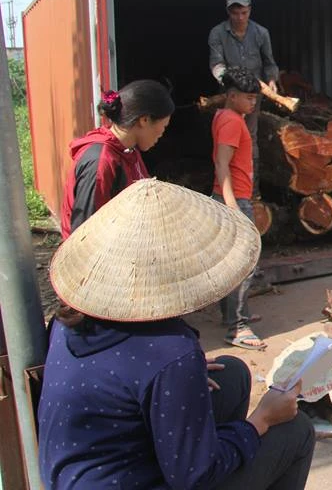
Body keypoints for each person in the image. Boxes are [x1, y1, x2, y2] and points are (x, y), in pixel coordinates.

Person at [39, 179, 316, 489]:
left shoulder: (65, 323)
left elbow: (123, 380)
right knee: (297, 430)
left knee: (233, 373)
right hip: (138, 479)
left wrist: (181, 378)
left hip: (77, 475)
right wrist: (260, 421)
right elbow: (196, 477)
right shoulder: (170, 352)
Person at [60, 79, 174, 239]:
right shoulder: (101, 161)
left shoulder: (129, 150)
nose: (162, 133)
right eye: (164, 126)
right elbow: (84, 234)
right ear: (144, 120)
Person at [213, 67, 267, 350]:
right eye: (248, 98)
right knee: (245, 263)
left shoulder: (227, 116)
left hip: (231, 197)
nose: (253, 103)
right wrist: (232, 204)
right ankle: (238, 328)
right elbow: (222, 164)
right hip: (233, 200)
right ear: (232, 96)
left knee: (229, 262)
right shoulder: (232, 121)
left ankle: (234, 315)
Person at [208, 0, 280, 196]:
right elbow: (216, 63)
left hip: (252, 93)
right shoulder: (217, 33)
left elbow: (269, 62)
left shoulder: (261, 33)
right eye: (235, 13)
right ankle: (223, 189)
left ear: (249, 11)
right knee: (226, 139)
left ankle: (251, 190)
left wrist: (272, 81)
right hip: (230, 92)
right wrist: (229, 81)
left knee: (250, 137)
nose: (240, 17)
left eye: (244, 13)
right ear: (228, 12)